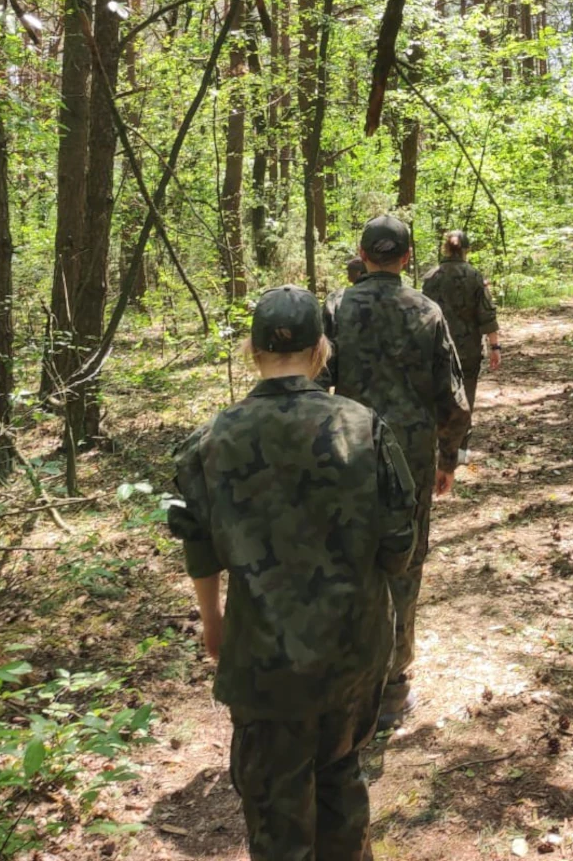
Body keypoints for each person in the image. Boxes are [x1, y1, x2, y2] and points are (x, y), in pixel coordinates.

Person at [168, 285, 416, 861]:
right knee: (340, 776)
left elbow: (198, 542)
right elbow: (398, 548)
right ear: (321, 349)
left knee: (276, 807)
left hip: (264, 658)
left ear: (253, 351)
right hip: (353, 650)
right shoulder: (364, 427)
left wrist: (213, 622)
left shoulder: (212, 438)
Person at [321, 215, 471, 731]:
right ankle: (392, 686)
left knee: (350, 558)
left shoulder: (338, 307)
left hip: (349, 451)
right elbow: (453, 399)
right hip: (410, 457)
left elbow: (314, 384)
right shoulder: (427, 311)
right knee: (404, 562)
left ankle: (351, 674)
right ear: (406, 258)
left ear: (363, 255)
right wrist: (447, 458)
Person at [422, 230, 501, 465]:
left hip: (436, 347)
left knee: (438, 395)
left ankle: (439, 445)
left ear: (445, 249)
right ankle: (460, 448)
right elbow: (486, 313)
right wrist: (495, 346)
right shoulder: (474, 276)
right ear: (466, 250)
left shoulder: (431, 277)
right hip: (468, 350)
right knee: (465, 395)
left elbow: (422, 313)